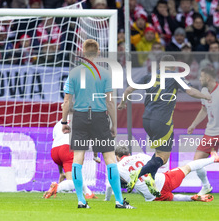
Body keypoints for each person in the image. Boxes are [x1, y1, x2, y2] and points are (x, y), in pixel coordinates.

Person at [118, 55, 212, 197]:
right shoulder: (175, 76)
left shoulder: (149, 76)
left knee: (157, 153)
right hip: (162, 121)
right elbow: (190, 91)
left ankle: (150, 179)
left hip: (146, 120)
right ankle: (139, 174)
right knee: (163, 157)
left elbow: (128, 90)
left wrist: (122, 103)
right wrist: (206, 96)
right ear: (174, 66)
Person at [61, 39, 135, 209]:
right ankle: (118, 201)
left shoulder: (74, 73)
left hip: (79, 117)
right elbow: (110, 102)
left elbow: (66, 101)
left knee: (78, 158)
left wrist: (64, 121)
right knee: (109, 158)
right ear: (99, 52)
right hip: (99, 117)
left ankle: (81, 200)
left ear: (83, 52)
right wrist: (114, 125)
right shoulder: (105, 73)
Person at [105, 146, 216, 202]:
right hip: (164, 180)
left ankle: (191, 198)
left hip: (152, 196)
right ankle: (214, 159)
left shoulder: (117, 167)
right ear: (129, 153)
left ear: (117, 157)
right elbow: (158, 165)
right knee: (188, 167)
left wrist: (107, 199)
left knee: (170, 197)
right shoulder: (140, 156)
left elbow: (110, 185)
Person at [43, 116, 97, 199]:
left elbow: (57, 144)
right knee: (73, 181)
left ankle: (88, 193)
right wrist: (95, 155)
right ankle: (57, 187)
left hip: (54, 152)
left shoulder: (58, 124)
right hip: (67, 150)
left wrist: (61, 173)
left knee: (77, 174)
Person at [187, 67, 219, 195]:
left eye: (201, 77)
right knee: (196, 162)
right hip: (210, 133)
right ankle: (206, 186)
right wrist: (193, 125)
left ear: (208, 78)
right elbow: (204, 110)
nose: (199, 79)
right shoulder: (204, 91)